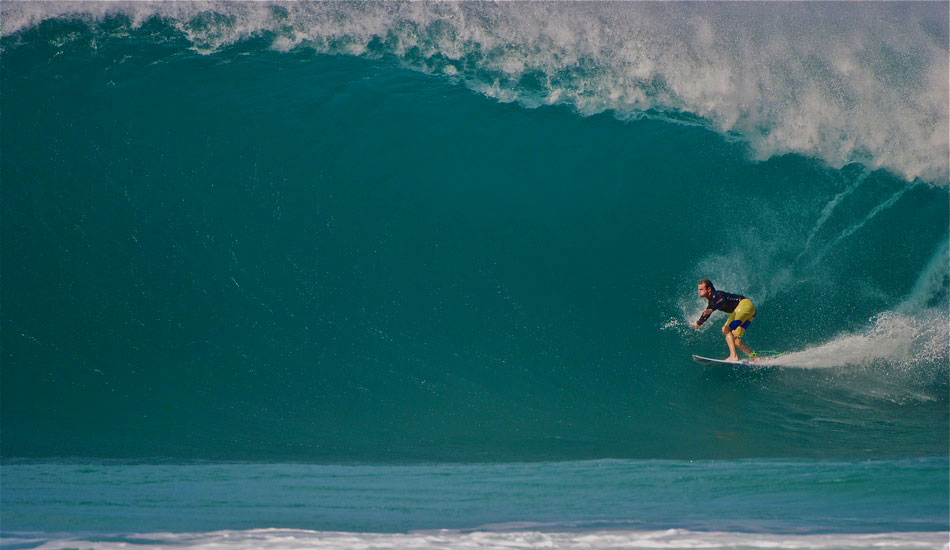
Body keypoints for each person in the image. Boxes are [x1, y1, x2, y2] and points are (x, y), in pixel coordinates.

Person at [692, 278, 757, 361]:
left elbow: (722, 300)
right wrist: (698, 323)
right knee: (734, 339)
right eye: (698, 289)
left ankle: (733, 356)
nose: (699, 291)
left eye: (701, 289)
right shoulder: (712, 302)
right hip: (750, 311)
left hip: (744, 305)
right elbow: (706, 314)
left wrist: (712, 309)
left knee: (725, 329)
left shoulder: (718, 294)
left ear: (709, 289)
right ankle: (754, 357)